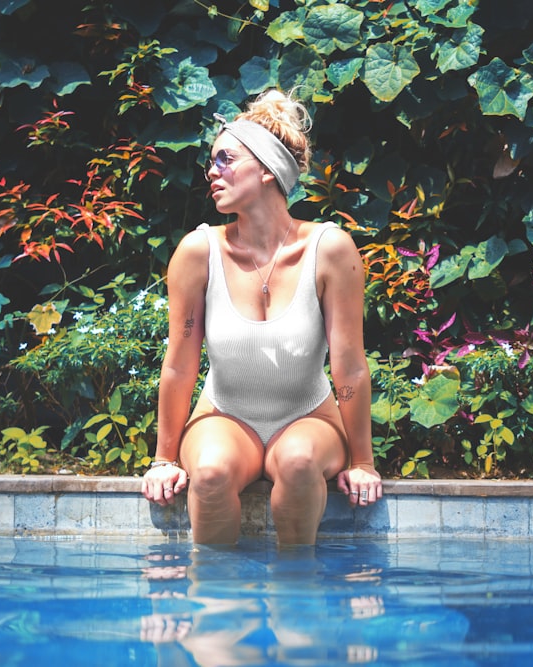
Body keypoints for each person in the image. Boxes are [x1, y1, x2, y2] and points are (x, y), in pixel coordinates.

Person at [141, 89, 382, 546]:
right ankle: (218, 606)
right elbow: (178, 364)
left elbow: (349, 365)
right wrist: (163, 460)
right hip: (224, 416)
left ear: (268, 171)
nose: (212, 172)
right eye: (211, 163)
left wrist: (363, 463)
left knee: (297, 462)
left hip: (309, 417)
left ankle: (297, 597)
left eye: (225, 159)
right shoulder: (199, 252)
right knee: (209, 473)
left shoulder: (329, 249)